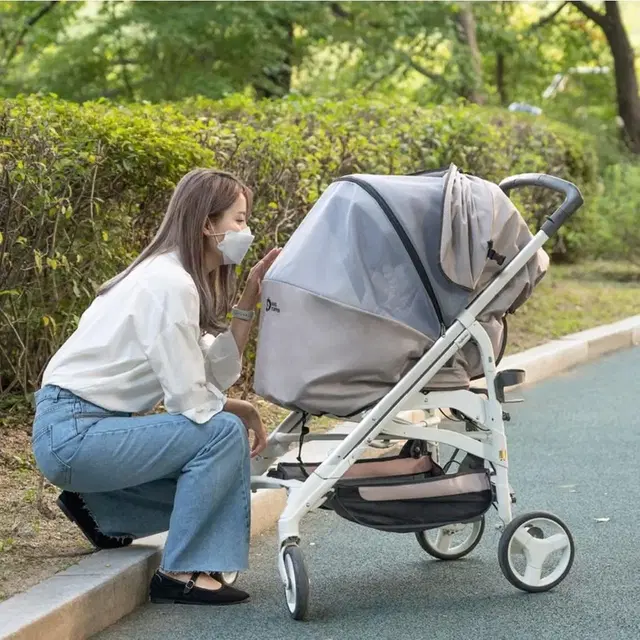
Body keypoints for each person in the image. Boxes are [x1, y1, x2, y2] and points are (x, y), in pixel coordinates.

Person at [31, 168, 281, 606]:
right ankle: (179, 574)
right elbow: (189, 398)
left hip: (83, 431)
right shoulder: (168, 284)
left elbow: (212, 369)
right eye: (239, 220)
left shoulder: (168, 276)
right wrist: (238, 410)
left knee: (222, 466)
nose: (247, 230)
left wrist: (247, 300)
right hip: (73, 434)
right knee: (220, 434)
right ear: (208, 224)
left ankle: (103, 512)